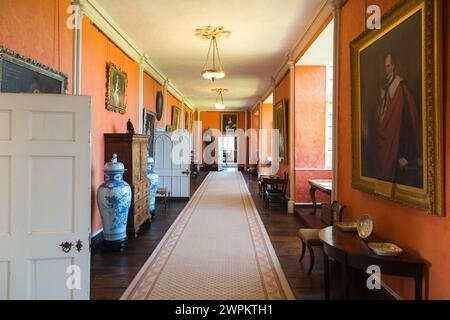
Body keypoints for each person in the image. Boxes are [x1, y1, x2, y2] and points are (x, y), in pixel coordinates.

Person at [374, 53, 421, 186]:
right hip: (385, 145)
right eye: (385, 67)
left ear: (393, 66)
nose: (386, 70)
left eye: (388, 66)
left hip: (399, 149)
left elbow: (406, 124)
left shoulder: (400, 88)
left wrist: (404, 154)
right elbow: (381, 118)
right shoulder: (384, 88)